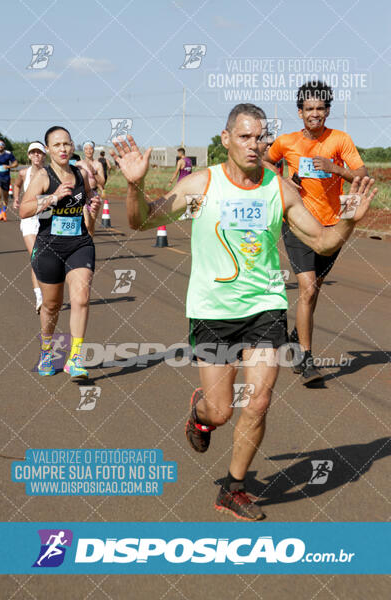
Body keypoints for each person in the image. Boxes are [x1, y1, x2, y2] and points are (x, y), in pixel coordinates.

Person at [111, 103, 377, 521]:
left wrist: (349, 220)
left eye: (261, 137)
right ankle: (201, 415)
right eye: (245, 137)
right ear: (226, 139)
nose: (255, 145)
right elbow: (142, 221)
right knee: (221, 410)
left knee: (259, 401)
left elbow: (324, 242)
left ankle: (234, 488)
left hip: (265, 308)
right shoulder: (202, 183)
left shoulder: (279, 189)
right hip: (212, 312)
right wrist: (135, 186)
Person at [265, 81, 368, 383]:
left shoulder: (340, 139)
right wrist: (283, 180)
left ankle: (298, 334)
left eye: (320, 108)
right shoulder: (286, 142)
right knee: (307, 288)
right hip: (297, 223)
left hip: (331, 226)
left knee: (315, 290)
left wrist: (338, 170)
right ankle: (306, 360)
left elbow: (361, 175)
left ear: (327, 111)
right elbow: (266, 161)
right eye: (309, 109)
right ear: (300, 112)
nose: (315, 114)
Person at [20, 126, 101, 379]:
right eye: (57, 145)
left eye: (66, 143)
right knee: (52, 305)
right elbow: (24, 210)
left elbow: (88, 217)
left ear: (72, 145)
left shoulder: (81, 175)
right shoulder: (44, 177)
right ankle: (47, 350)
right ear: (48, 150)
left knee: (82, 297)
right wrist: (52, 198)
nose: (63, 149)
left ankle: (74, 359)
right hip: (49, 247)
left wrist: (93, 207)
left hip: (79, 244)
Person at [13, 141, 47, 313]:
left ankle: (49, 292)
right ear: (28, 155)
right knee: (36, 256)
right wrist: (16, 198)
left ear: (44, 155)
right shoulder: (23, 173)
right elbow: (17, 184)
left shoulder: (50, 174)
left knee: (49, 260)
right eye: (32, 152)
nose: (36, 155)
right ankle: (39, 297)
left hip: (47, 220)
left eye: (39, 152)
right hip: (29, 221)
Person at [0, 139, 18, 221]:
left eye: (2, 144)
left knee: (5, 197)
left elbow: (16, 163)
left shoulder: (8, 154)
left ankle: (4, 212)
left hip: (6, 178)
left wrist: (9, 167)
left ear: (4, 145)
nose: (0, 145)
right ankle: (0, 213)